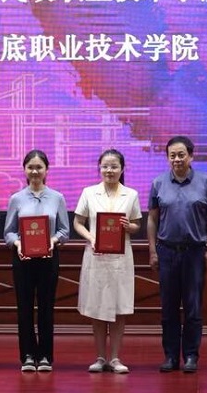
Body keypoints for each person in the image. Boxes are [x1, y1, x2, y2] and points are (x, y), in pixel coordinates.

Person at [147, 135, 207, 374]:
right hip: (167, 252)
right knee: (168, 308)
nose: (177, 159)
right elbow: (152, 219)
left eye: (181, 155)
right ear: (167, 158)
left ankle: (190, 355)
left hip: (194, 253)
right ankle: (170, 356)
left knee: (193, 306)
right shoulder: (158, 183)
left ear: (191, 156)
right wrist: (152, 250)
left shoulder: (205, 182)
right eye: (172, 155)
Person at [72, 149, 143, 374]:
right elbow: (78, 222)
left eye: (114, 166)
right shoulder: (89, 193)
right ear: (99, 168)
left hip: (121, 258)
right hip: (96, 256)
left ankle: (115, 358)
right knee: (97, 307)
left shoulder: (131, 194)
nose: (109, 170)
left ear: (122, 169)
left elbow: (137, 225)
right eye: (105, 166)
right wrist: (91, 237)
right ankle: (100, 357)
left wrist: (129, 227)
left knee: (120, 308)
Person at [3, 149, 70, 373]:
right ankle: (28, 356)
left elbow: (64, 231)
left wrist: (53, 240)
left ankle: (45, 356)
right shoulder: (16, 198)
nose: (34, 171)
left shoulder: (57, 197)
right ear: (24, 170)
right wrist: (18, 243)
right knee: (24, 308)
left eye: (39, 167)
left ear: (46, 170)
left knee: (46, 308)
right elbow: (8, 232)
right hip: (22, 259)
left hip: (48, 259)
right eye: (30, 167)